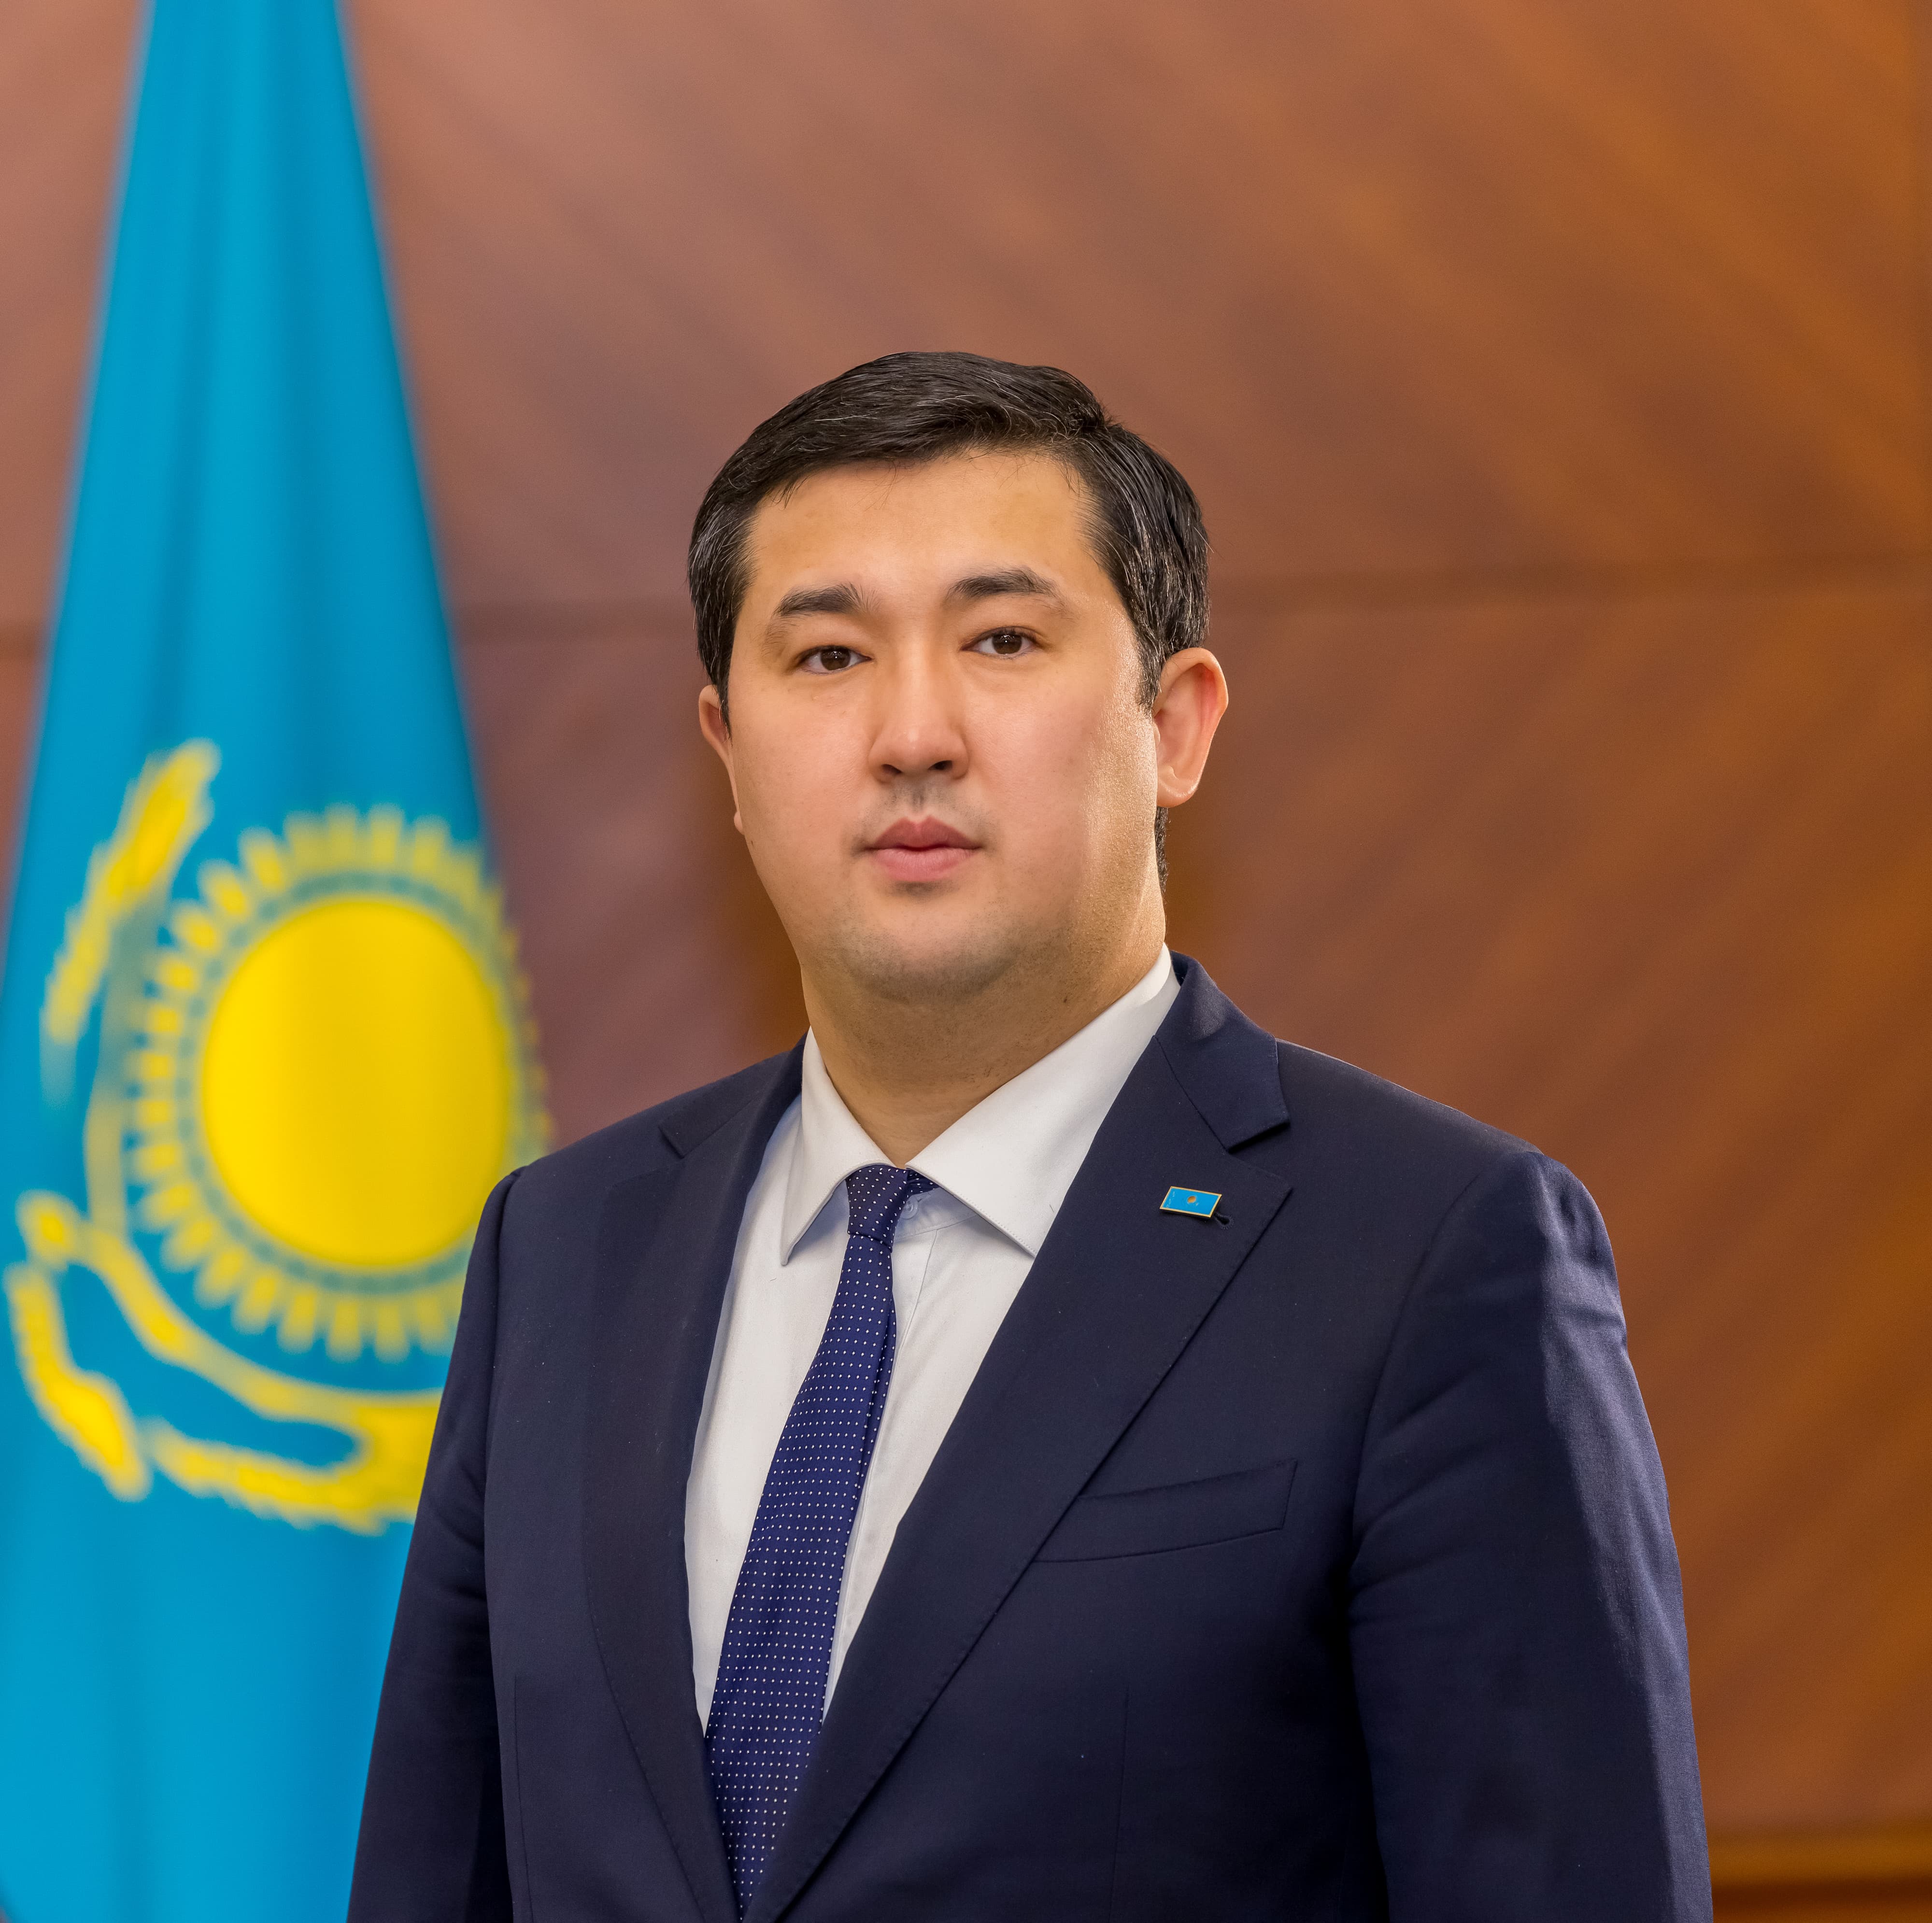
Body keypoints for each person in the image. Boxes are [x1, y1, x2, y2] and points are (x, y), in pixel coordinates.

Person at [348, 352, 1710, 1922]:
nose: (912, 733)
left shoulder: (1428, 1257)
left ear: (1175, 727)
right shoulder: (564, 1249)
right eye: (829, 655)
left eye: (1002, 639)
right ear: (726, 751)